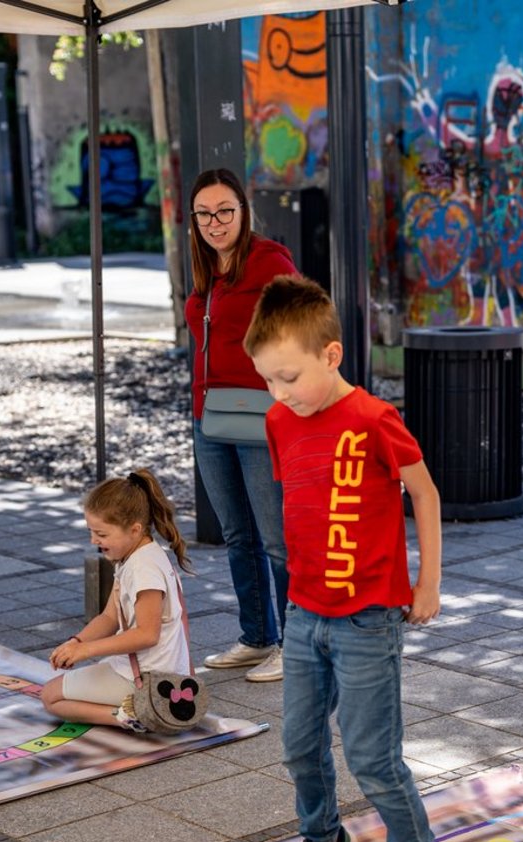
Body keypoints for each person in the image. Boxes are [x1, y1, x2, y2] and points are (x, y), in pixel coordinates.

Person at [243, 274, 465, 842]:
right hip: (305, 612)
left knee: (372, 754)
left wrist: (427, 583)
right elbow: (298, 505)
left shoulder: (373, 419)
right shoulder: (281, 420)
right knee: (298, 745)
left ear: (331, 355)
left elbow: (423, 493)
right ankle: (321, 838)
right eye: (268, 381)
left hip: (370, 615)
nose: (279, 394)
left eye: (288, 376)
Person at [185, 167, 297, 684]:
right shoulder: (208, 269)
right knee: (237, 534)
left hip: (258, 416)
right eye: (204, 213)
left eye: (224, 210)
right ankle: (257, 637)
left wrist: (286, 390)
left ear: (243, 211)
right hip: (208, 418)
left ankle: (296, 644)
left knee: (276, 538)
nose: (215, 221)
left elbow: (302, 326)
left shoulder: (268, 260)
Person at [42, 469, 193, 734]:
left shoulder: (143, 569)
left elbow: (147, 635)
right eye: (91, 531)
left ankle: (130, 715)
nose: (94, 541)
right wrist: (76, 643)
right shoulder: (135, 557)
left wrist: (87, 651)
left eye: (101, 534)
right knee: (81, 679)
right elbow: (109, 618)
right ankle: (133, 709)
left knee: (50, 696)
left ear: (134, 529)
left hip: (147, 678)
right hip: (152, 671)